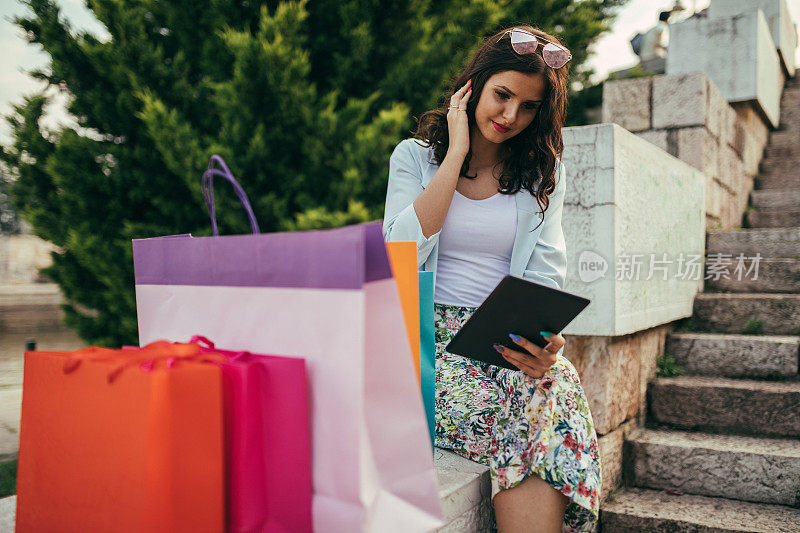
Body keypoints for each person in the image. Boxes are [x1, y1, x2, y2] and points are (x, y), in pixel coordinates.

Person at [382, 25, 601, 533]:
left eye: (529, 107)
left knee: (550, 379)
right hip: (426, 346)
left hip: (498, 339)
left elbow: (546, 275)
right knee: (535, 403)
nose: (510, 117)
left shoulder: (543, 173)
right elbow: (399, 255)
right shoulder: (414, 158)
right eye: (502, 96)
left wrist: (547, 343)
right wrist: (455, 154)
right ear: (473, 86)